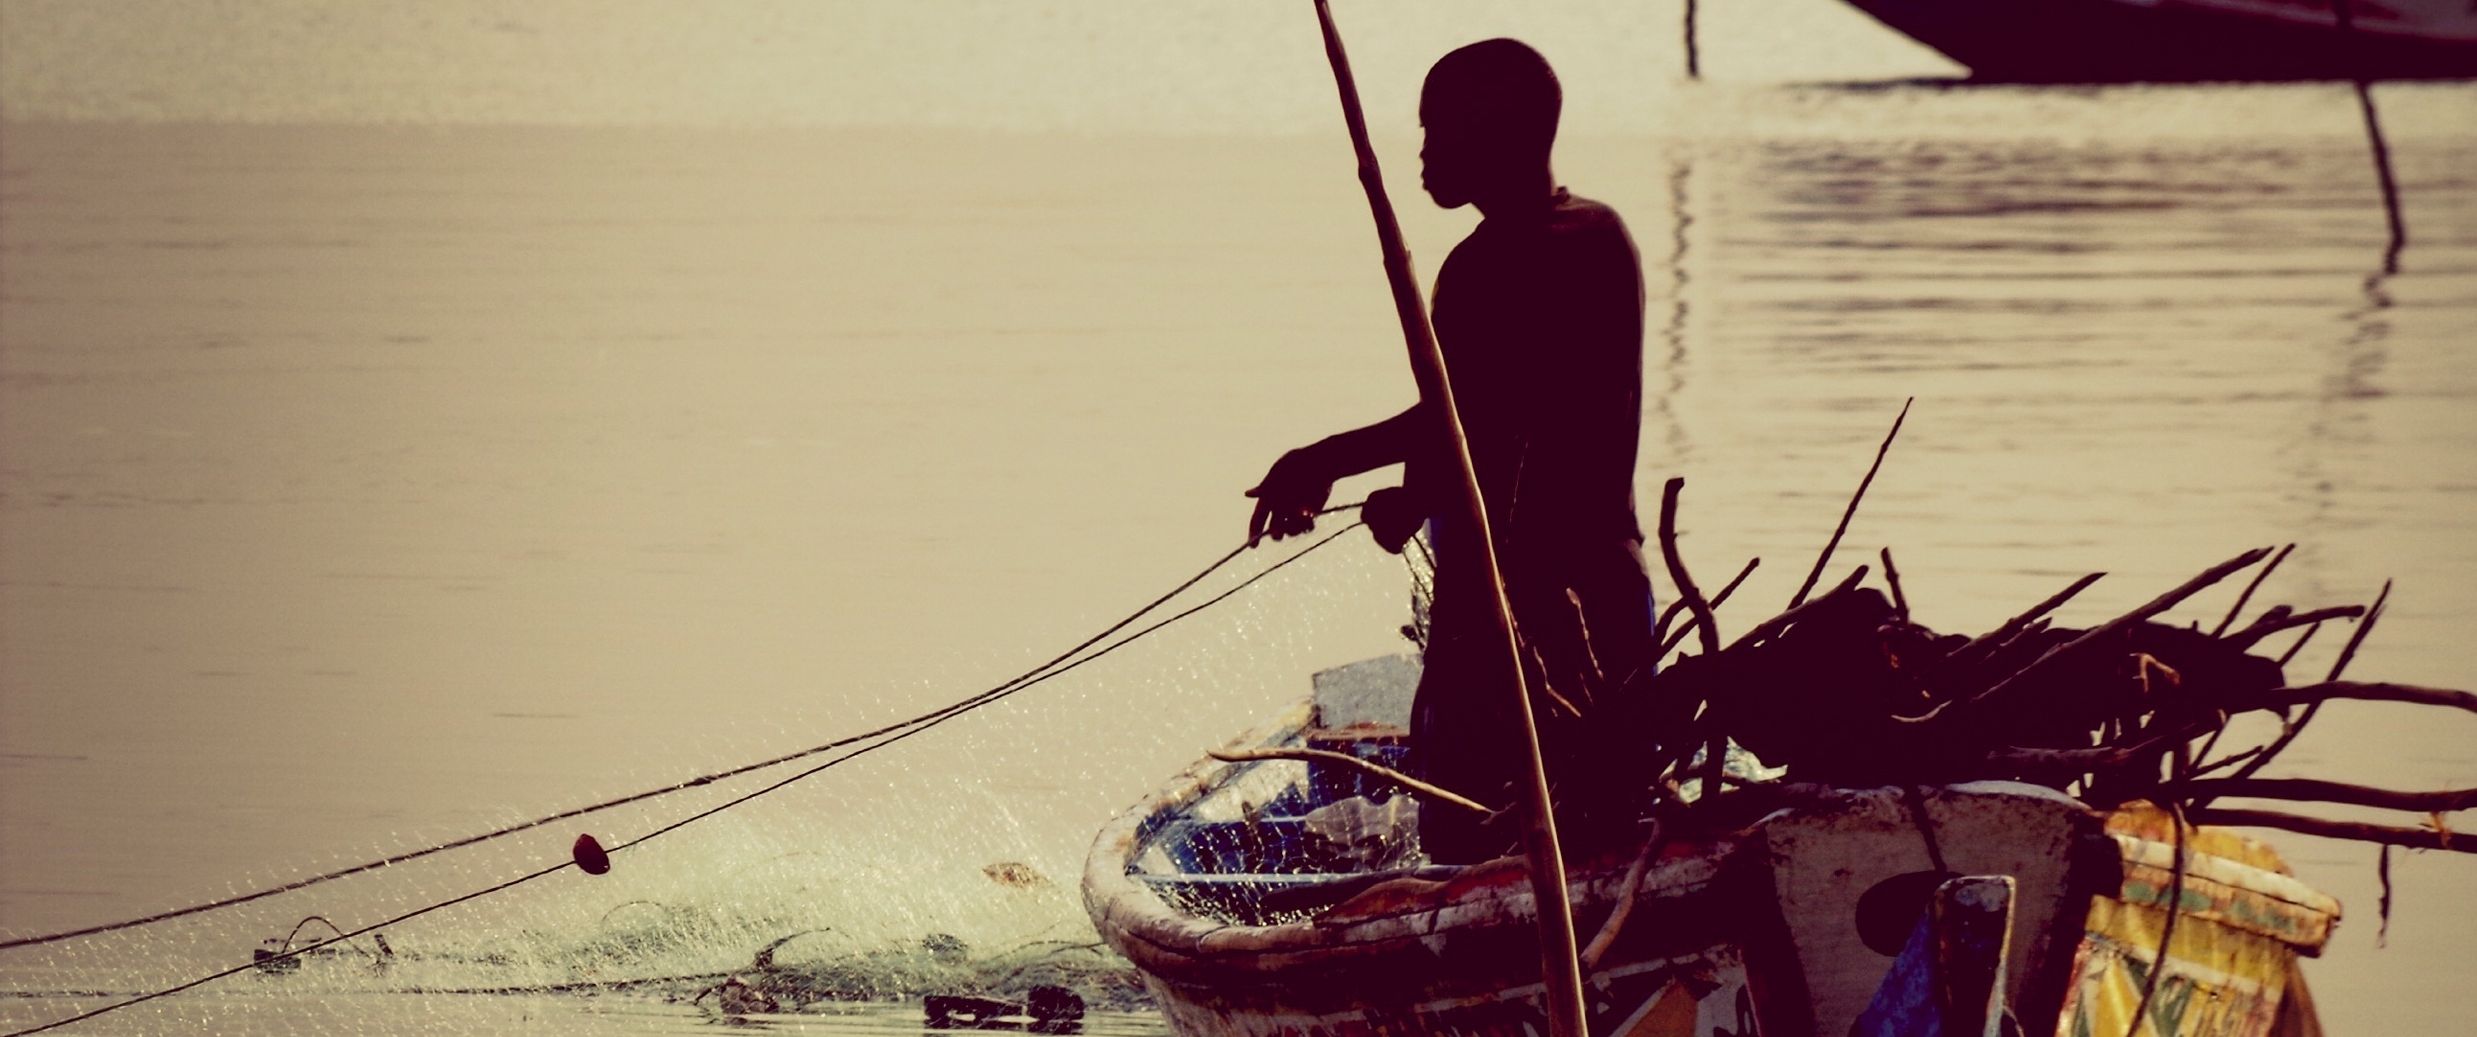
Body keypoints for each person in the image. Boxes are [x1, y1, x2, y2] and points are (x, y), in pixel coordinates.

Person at [1244, 39, 1656, 863]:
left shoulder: (1489, 265)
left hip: (1511, 616)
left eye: (1438, 129)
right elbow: (1516, 418)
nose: (1424, 153)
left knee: (1464, 842)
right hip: (1610, 597)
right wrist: (1416, 494)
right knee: (1601, 833)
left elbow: (1460, 418)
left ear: (1498, 134)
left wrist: (1319, 460)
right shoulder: (1601, 232)